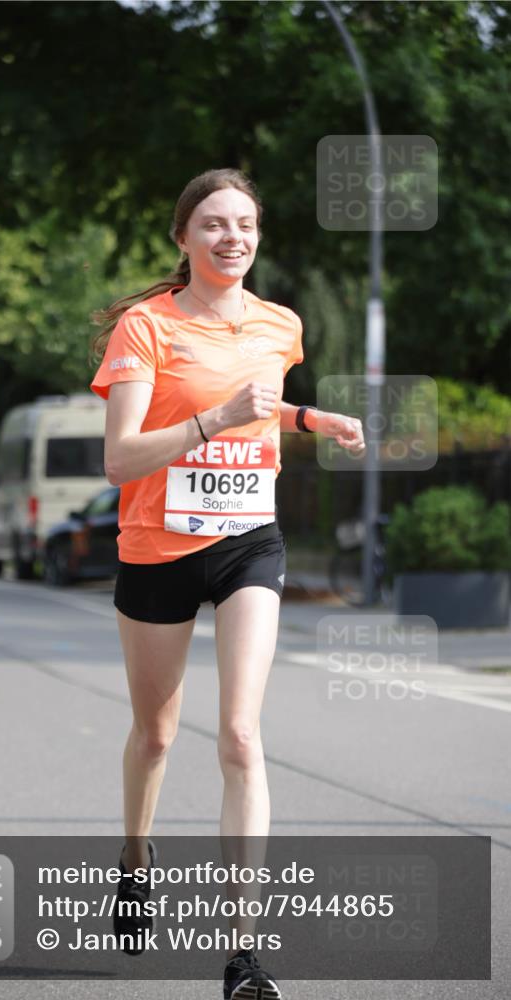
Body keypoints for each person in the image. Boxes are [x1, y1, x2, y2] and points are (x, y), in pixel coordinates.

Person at [90, 168, 364, 999]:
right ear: (183, 237)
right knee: (158, 736)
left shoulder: (280, 324)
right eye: (212, 224)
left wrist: (306, 417)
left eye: (243, 224)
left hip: (248, 539)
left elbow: (257, 400)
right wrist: (211, 419)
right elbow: (119, 456)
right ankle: (135, 860)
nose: (231, 238)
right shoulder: (145, 328)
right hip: (157, 546)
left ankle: (242, 951)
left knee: (241, 736)